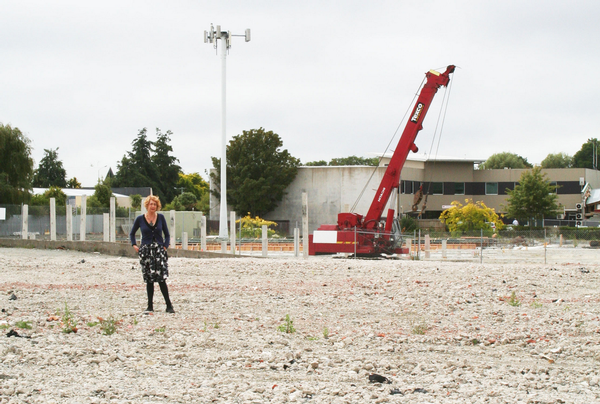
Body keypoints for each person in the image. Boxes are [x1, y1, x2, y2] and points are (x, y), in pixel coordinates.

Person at [129, 195, 174, 314]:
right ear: (147, 205)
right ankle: (150, 306)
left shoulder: (161, 218)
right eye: (151, 204)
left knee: (161, 278)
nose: (152, 206)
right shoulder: (140, 219)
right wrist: (134, 245)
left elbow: (167, 234)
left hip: (159, 251)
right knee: (149, 279)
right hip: (146, 252)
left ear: (157, 206)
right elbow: (132, 233)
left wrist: (165, 246)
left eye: (154, 204)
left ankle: (169, 305)